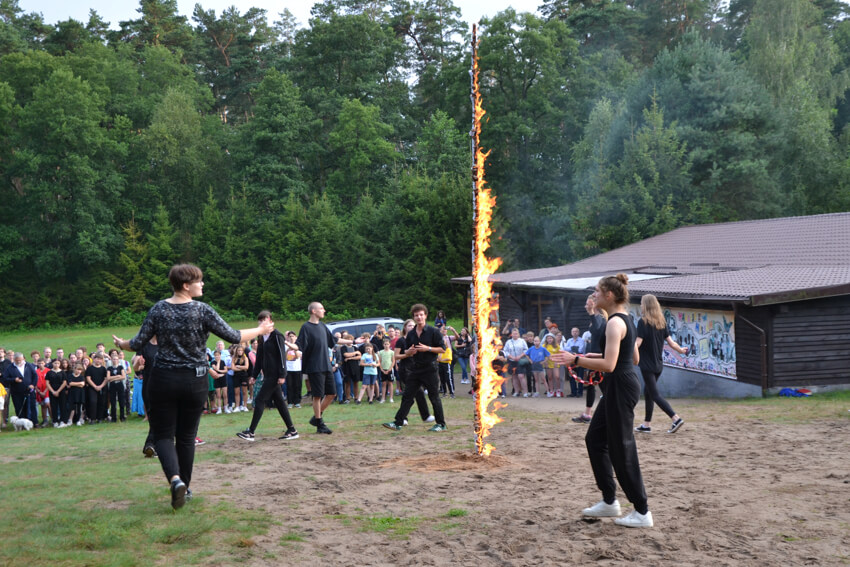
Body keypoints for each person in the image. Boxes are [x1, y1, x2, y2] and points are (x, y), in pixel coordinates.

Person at [112, 263, 274, 509]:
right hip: (195, 381)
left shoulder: (159, 309)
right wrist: (261, 329)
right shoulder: (202, 310)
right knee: (186, 437)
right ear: (186, 285)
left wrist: (121, 344)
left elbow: (136, 343)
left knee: (164, 436)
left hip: (163, 380)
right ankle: (185, 488)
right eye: (199, 280)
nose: (202, 284)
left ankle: (175, 480)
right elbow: (233, 336)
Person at [552, 274, 652, 528]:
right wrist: (588, 355)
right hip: (619, 386)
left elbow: (609, 365)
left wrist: (576, 360)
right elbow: (632, 358)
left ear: (609, 295)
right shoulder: (624, 319)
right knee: (595, 439)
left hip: (620, 387)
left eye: (597, 291)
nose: (593, 295)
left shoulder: (614, 323)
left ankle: (642, 511)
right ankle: (610, 501)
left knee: (622, 448)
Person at [382, 304, 447, 432]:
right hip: (415, 369)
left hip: (430, 369)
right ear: (414, 317)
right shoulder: (411, 334)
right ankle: (398, 422)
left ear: (425, 316)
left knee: (434, 397)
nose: (419, 317)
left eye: (421, 315)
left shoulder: (433, 332)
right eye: (416, 315)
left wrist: (427, 348)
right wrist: (408, 352)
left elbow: (442, 349)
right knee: (407, 395)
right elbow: (406, 350)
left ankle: (441, 424)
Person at [237, 310, 299, 442]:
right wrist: (254, 375)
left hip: (275, 375)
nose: (261, 323)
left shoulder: (277, 336)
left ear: (270, 320)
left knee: (260, 400)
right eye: (260, 321)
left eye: (264, 320)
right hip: (267, 375)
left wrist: (282, 375)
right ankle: (292, 430)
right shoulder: (261, 338)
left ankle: (251, 432)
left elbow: (282, 356)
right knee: (280, 402)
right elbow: (259, 358)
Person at [634, 294, 689, 434]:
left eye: (642, 303)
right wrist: (681, 350)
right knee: (648, 392)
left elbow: (638, 343)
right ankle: (646, 425)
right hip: (658, 365)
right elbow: (672, 343)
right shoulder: (661, 322)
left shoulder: (642, 322)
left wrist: (627, 350)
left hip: (647, 366)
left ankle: (675, 418)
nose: (641, 305)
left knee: (654, 394)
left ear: (646, 305)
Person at [295, 302, 350, 435]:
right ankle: (320, 424)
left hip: (326, 365)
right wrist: (290, 345)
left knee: (332, 394)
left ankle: (316, 418)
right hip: (314, 366)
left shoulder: (322, 326)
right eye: (321, 308)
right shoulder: (306, 327)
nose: (324, 310)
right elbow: (299, 344)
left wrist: (352, 341)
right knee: (317, 396)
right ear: (313, 311)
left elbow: (334, 341)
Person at [573, 294, 607, 424]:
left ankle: (610, 412)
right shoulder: (596, 317)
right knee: (592, 384)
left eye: (587, 304)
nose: (585, 306)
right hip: (593, 355)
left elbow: (597, 328)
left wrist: (591, 312)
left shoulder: (601, 318)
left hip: (598, 356)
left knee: (603, 386)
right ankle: (587, 414)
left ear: (594, 305)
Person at [393, 319, 434, 423]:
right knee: (415, 393)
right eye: (409, 325)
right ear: (405, 327)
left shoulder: (416, 340)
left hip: (415, 369)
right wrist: (407, 354)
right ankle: (408, 417)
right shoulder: (401, 340)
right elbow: (396, 356)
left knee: (413, 394)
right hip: (405, 370)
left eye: (413, 325)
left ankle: (419, 416)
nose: (412, 327)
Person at [132, 335, 159, 455]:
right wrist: (138, 363)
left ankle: (151, 444)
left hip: (165, 385)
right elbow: (136, 368)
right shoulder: (144, 346)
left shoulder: (166, 342)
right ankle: (153, 444)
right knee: (153, 417)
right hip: (148, 386)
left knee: (160, 417)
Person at [503, 329, 529, 397]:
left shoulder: (522, 341)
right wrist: (512, 357)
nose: (515, 335)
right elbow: (505, 351)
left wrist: (519, 356)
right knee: (514, 376)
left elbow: (526, 350)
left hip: (520, 361)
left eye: (516, 333)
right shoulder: (508, 342)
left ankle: (525, 392)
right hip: (512, 361)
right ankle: (516, 391)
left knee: (521, 376)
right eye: (514, 334)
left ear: (518, 334)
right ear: (511, 334)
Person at [84, 353, 108, 423]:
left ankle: (100, 418)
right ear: (94, 359)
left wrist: (101, 386)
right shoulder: (90, 368)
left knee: (101, 402)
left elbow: (106, 379)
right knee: (93, 402)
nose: (98, 360)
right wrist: (95, 386)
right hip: (92, 388)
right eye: (97, 359)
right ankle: (92, 418)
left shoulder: (103, 368)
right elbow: (88, 378)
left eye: (100, 359)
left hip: (102, 387)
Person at [564, 327, 587, 398]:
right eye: (573, 331)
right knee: (572, 377)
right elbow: (565, 349)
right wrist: (574, 348)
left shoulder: (582, 340)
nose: (575, 333)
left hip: (580, 360)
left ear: (578, 333)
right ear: (571, 333)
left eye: (576, 331)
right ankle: (573, 392)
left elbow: (580, 350)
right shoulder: (569, 340)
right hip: (571, 360)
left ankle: (580, 392)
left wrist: (571, 348)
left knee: (580, 376)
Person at [106, 351, 127, 422]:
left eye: (116, 359)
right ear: (111, 360)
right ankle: (114, 417)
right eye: (113, 359)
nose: (115, 360)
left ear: (118, 360)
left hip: (119, 385)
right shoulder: (109, 368)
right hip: (112, 385)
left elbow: (123, 376)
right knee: (113, 401)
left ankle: (122, 416)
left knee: (121, 400)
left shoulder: (121, 367)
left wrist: (113, 378)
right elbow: (108, 378)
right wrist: (118, 376)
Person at [46, 359, 67, 427]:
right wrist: (53, 391)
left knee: (62, 406)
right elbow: (47, 383)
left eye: (58, 363)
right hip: (52, 391)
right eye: (55, 363)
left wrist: (58, 391)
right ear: (52, 363)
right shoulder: (49, 372)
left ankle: (62, 421)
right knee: (53, 406)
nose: (56, 365)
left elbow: (64, 382)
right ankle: (55, 421)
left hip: (61, 391)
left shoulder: (62, 372)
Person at [285, 332, 303, 408]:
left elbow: (298, 356)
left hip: (297, 368)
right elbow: (285, 357)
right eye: (290, 336)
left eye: (293, 336)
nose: (291, 338)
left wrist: (294, 349)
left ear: (296, 337)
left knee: (297, 385)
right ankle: (290, 402)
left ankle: (297, 402)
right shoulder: (285, 346)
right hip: (289, 369)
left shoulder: (299, 346)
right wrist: (288, 349)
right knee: (289, 385)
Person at [230, 345, 250, 412]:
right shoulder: (234, 358)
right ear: (236, 351)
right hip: (236, 376)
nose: (240, 351)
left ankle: (245, 406)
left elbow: (246, 367)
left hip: (244, 376)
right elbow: (233, 368)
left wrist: (238, 366)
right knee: (237, 392)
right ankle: (237, 406)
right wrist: (242, 368)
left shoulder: (245, 358)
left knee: (244, 391)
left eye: (241, 350)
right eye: (238, 350)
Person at [209, 350, 228, 414]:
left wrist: (221, 373)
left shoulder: (223, 361)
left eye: (218, 355)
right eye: (216, 355)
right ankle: (219, 408)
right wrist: (218, 362)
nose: (217, 356)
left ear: (220, 355)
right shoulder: (213, 362)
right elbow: (216, 369)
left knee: (225, 394)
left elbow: (225, 370)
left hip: (223, 379)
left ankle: (226, 407)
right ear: (214, 356)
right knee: (218, 395)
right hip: (217, 379)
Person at [377, 339, 395, 403]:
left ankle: (391, 398)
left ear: (389, 344)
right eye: (385, 344)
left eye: (387, 344)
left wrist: (390, 369)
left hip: (389, 369)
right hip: (383, 369)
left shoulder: (392, 352)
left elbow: (393, 361)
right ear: (383, 345)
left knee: (390, 383)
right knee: (383, 384)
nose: (386, 345)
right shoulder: (381, 352)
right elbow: (379, 361)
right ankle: (383, 398)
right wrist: (382, 369)